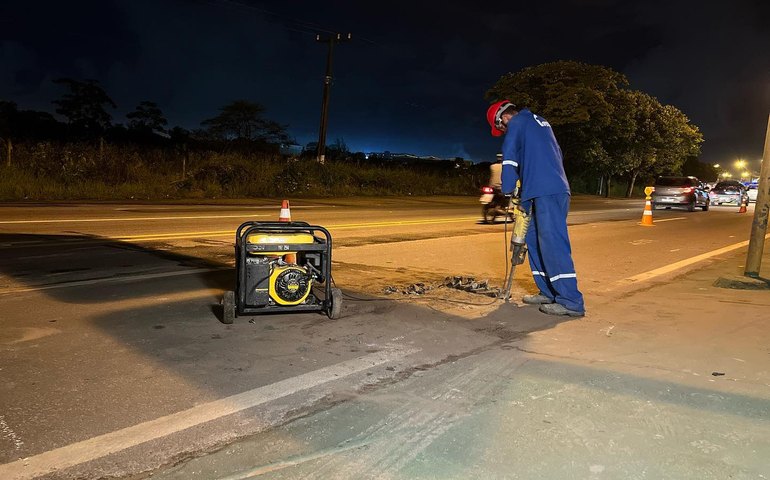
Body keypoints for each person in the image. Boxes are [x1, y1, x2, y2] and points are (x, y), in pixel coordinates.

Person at [486, 100, 585, 317]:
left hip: (545, 190)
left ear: (503, 118)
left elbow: (510, 161)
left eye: (500, 128)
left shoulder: (517, 124)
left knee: (552, 243)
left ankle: (571, 301)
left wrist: (509, 189)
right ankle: (548, 291)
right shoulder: (539, 122)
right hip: (547, 188)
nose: (503, 132)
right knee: (533, 240)